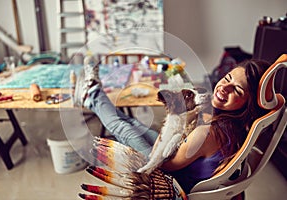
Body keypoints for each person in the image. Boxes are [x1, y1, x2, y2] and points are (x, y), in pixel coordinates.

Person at [74, 57, 270, 194]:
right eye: (227, 78)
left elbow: (167, 165)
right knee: (134, 124)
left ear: (249, 104)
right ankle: (91, 93)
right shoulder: (234, 123)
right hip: (183, 157)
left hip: (171, 176)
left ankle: (92, 92)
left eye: (236, 89)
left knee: (123, 128)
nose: (224, 88)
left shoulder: (209, 131)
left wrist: (166, 133)